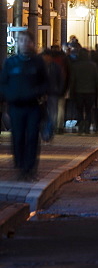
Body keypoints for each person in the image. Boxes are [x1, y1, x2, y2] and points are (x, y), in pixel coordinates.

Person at [0, 29, 49, 180]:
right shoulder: (11, 62)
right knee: (18, 137)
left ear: (32, 43)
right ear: (17, 43)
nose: (24, 44)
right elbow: (3, 83)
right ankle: (20, 167)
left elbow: (45, 83)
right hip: (15, 107)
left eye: (27, 41)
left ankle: (30, 168)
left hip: (33, 106)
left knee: (32, 137)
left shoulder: (38, 62)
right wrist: (8, 98)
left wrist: (36, 92)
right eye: (21, 41)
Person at [69, 48, 98, 134]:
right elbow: (97, 79)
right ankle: (87, 126)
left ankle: (81, 126)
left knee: (79, 110)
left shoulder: (75, 66)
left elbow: (72, 80)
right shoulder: (93, 66)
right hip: (90, 91)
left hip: (78, 91)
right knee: (88, 110)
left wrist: (71, 92)